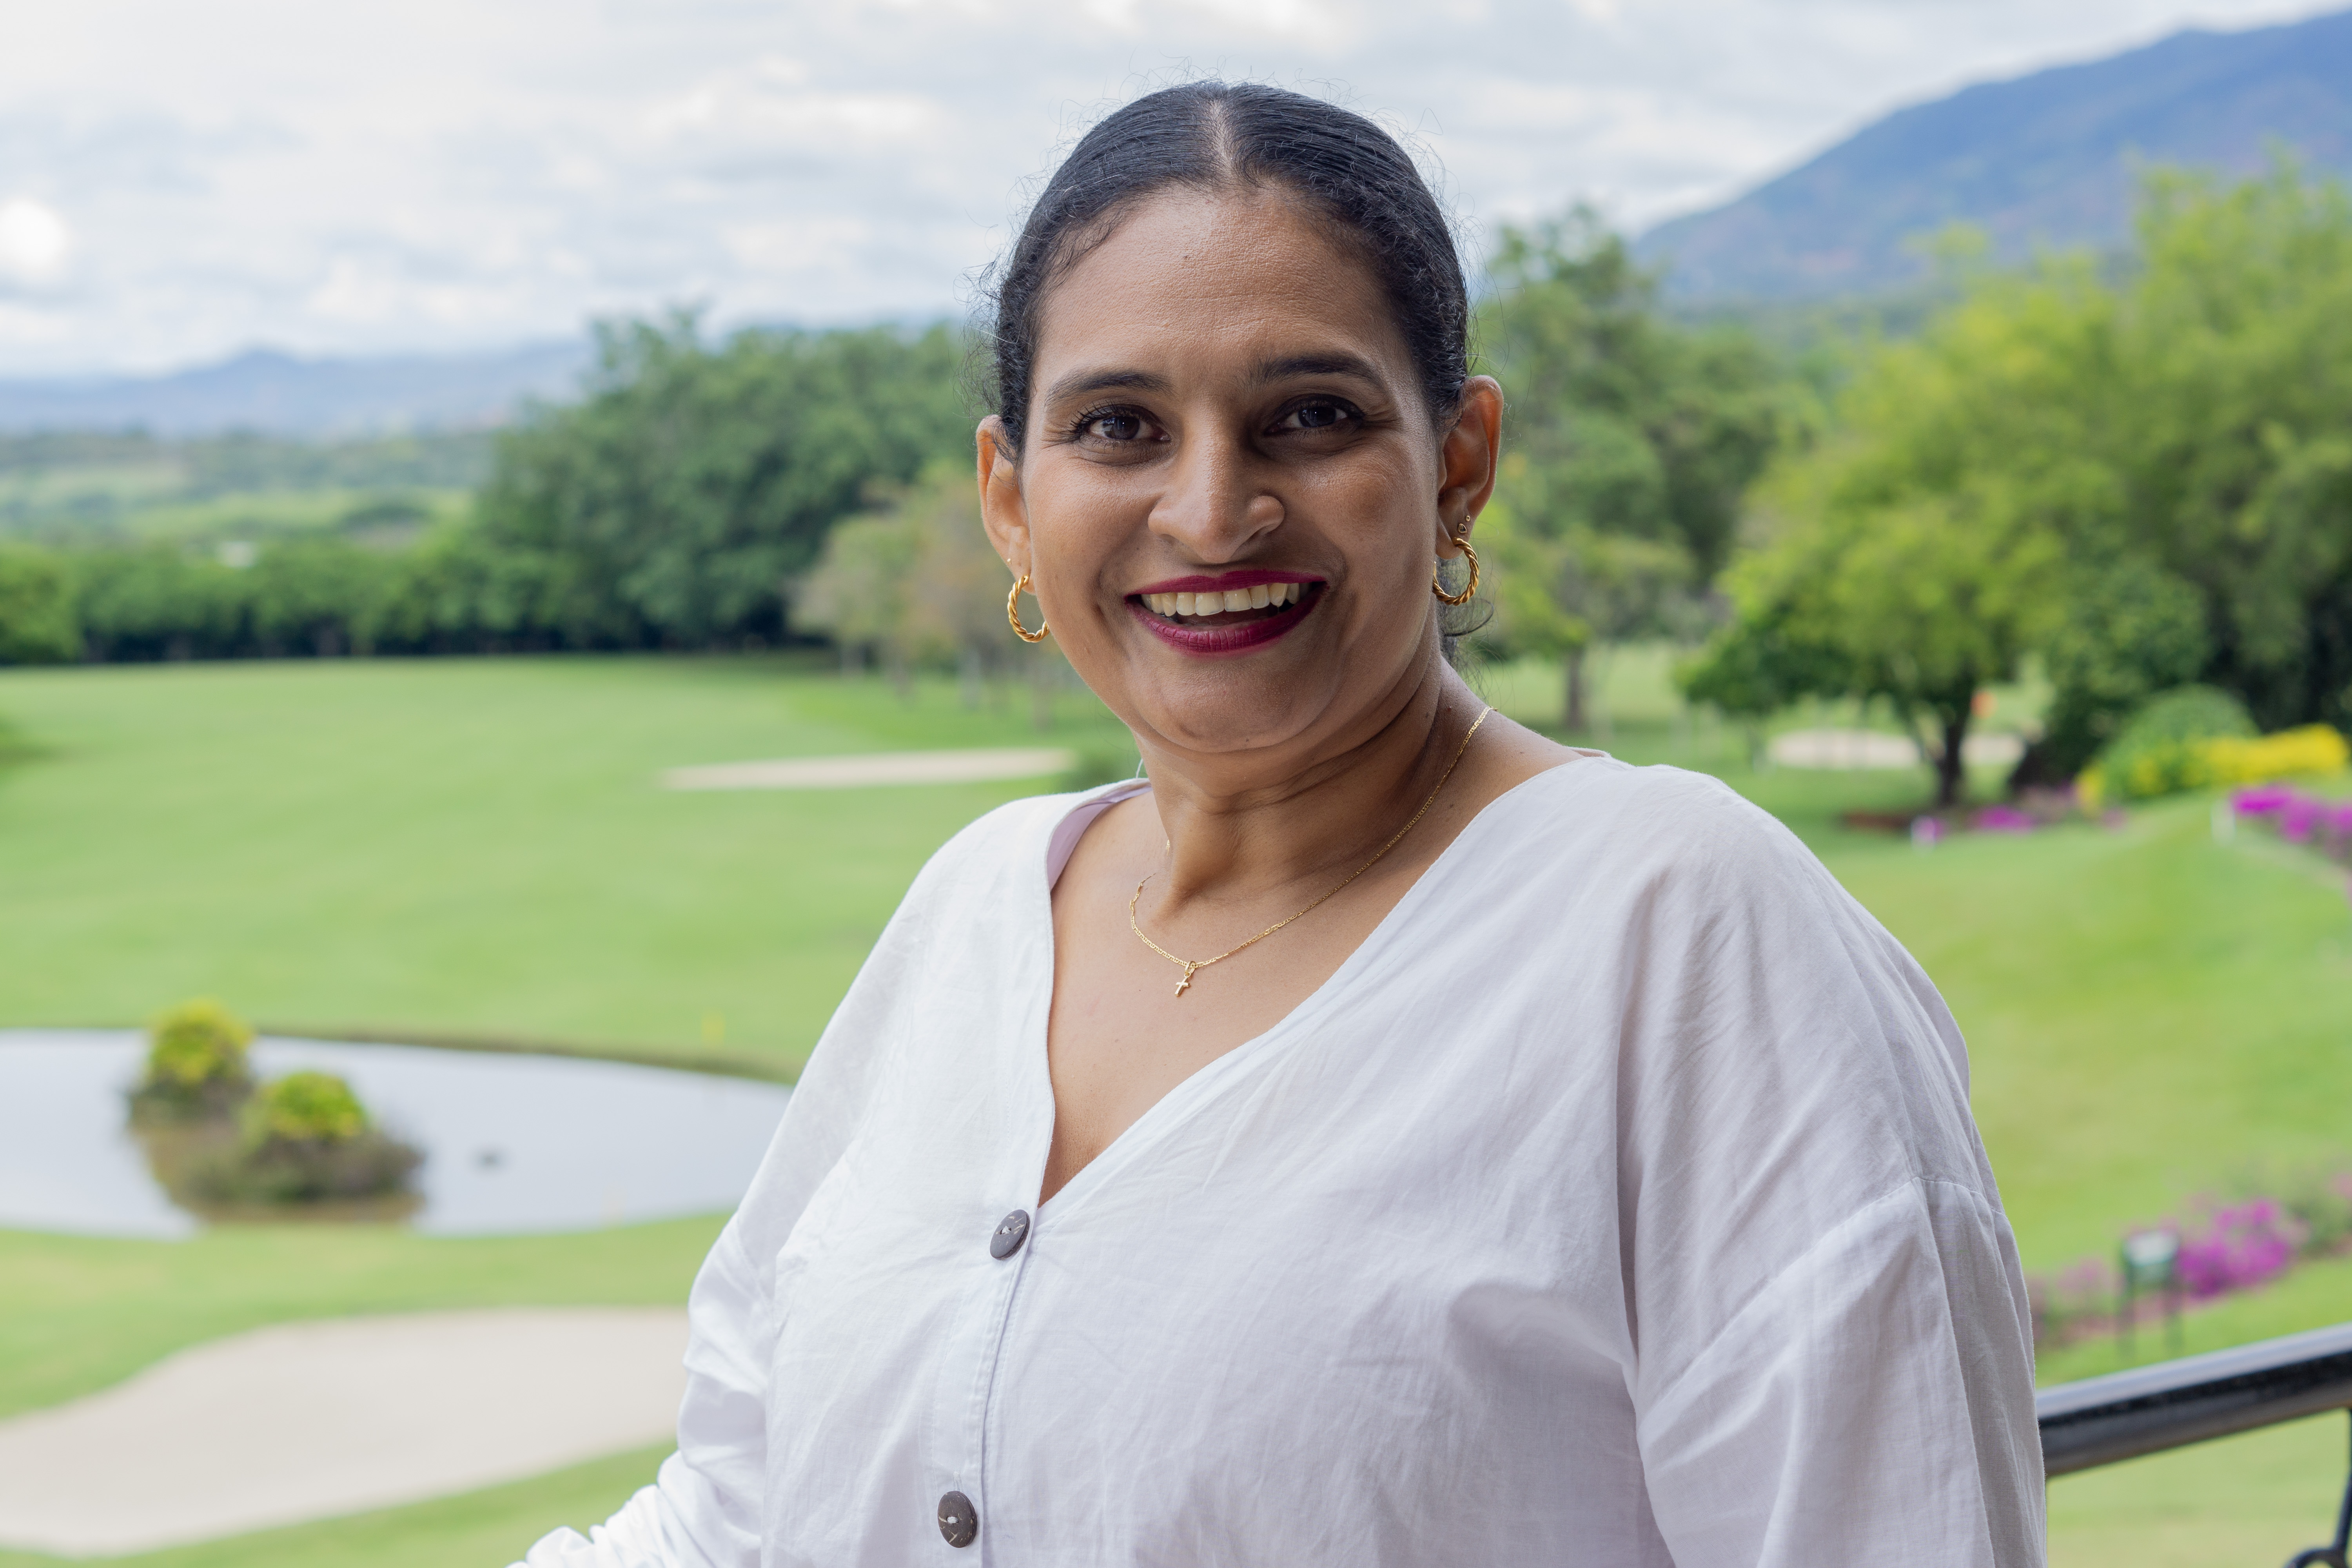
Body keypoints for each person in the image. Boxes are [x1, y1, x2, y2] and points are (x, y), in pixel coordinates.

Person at [519, 82, 2043, 1567]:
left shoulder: (1685, 933)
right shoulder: (978, 904)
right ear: (1011, 498)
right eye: (1119, 425)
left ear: (1459, 465)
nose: (1209, 509)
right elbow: (739, 1502)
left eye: (1310, 416)